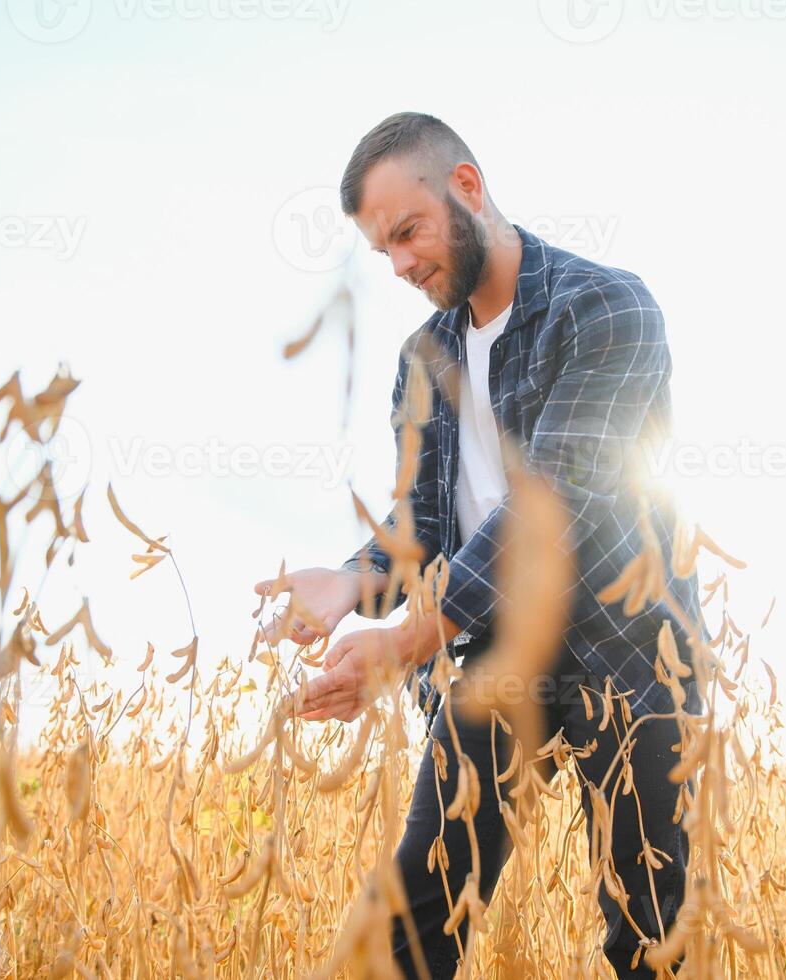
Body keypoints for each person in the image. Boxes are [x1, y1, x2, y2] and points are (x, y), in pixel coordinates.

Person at [253, 112, 706, 979]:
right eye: (380, 249)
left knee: (648, 935)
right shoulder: (423, 359)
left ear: (466, 187)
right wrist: (348, 584)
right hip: (493, 664)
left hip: (632, 658)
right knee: (417, 917)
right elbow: (419, 534)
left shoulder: (606, 307)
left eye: (407, 232)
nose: (399, 264)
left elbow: (555, 506)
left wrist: (406, 641)